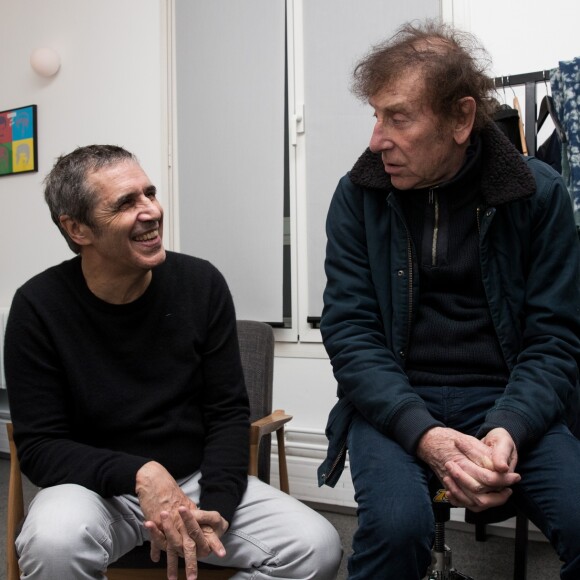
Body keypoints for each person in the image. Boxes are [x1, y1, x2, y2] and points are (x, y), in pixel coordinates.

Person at [318, 20, 580, 580]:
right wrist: (425, 434)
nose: (376, 139)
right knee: (396, 529)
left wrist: (510, 426)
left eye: (398, 117)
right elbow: (351, 334)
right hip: (397, 399)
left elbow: (553, 339)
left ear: (461, 119)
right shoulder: (357, 197)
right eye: (376, 115)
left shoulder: (539, 196)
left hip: (507, 395)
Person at [5, 144, 342, 580]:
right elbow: (40, 446)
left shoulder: (200, 283)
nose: (151, 211)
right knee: (52, 542)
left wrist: (215, 505)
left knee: (315, 547)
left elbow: (226, 413)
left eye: (150, 193)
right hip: (96, 490)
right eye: (126, 203)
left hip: (196, 482)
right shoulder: (38, 306)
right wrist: (140, 474)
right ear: (78, 228)